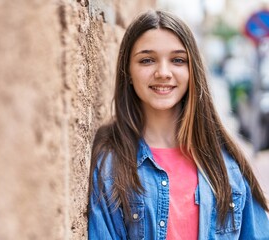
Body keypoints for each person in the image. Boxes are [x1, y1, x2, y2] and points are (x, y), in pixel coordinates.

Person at [87, 9, 269, 240]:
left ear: (192, 70)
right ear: (128, 72)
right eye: (147, 60)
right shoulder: (111, 165)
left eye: (178, 60)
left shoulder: (227, 165)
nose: (163, 72)